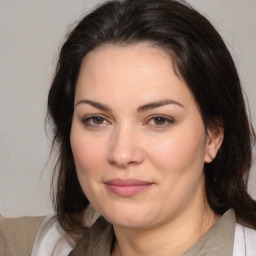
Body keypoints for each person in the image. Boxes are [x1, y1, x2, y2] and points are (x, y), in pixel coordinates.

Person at [1, 0, 256, 255]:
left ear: (213, 136)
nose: (122, 154)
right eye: (97, 119)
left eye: (159, 120)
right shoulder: (43, 246)